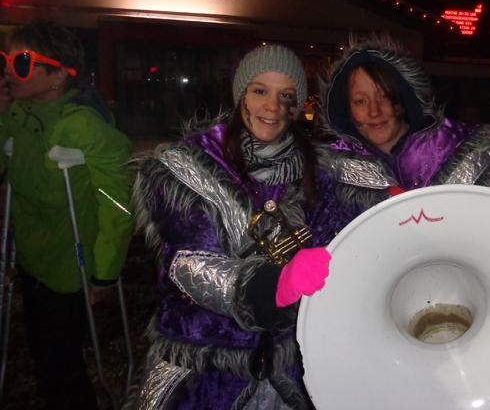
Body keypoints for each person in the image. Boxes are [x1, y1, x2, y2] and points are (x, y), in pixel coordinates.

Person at [129, 44, 393, 409]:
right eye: (260, 91)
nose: (272, 107)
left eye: (286, 96)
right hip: (207, 367)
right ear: (240, 94)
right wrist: (273, 284)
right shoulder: (188, 166)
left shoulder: (321, 168)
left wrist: (397, 204)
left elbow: (364, 236)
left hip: (291, 365)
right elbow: (188, 264)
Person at [0, 21, 135, 409]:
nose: (9, 71)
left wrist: (105, 272)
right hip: (30, 262)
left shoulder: (82, 125)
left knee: (63, 369)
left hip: (70, 267)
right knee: (42, 356)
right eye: (6, 60)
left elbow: (118, 201)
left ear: (58, 75)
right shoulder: (16, 115)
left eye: (22, 62)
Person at [320, 36, 490, 189]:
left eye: (383, 96)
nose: (374, 112)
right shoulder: (332, 173)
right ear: (347, 110)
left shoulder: (460, 153)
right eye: (360, 102)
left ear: (402, 101)